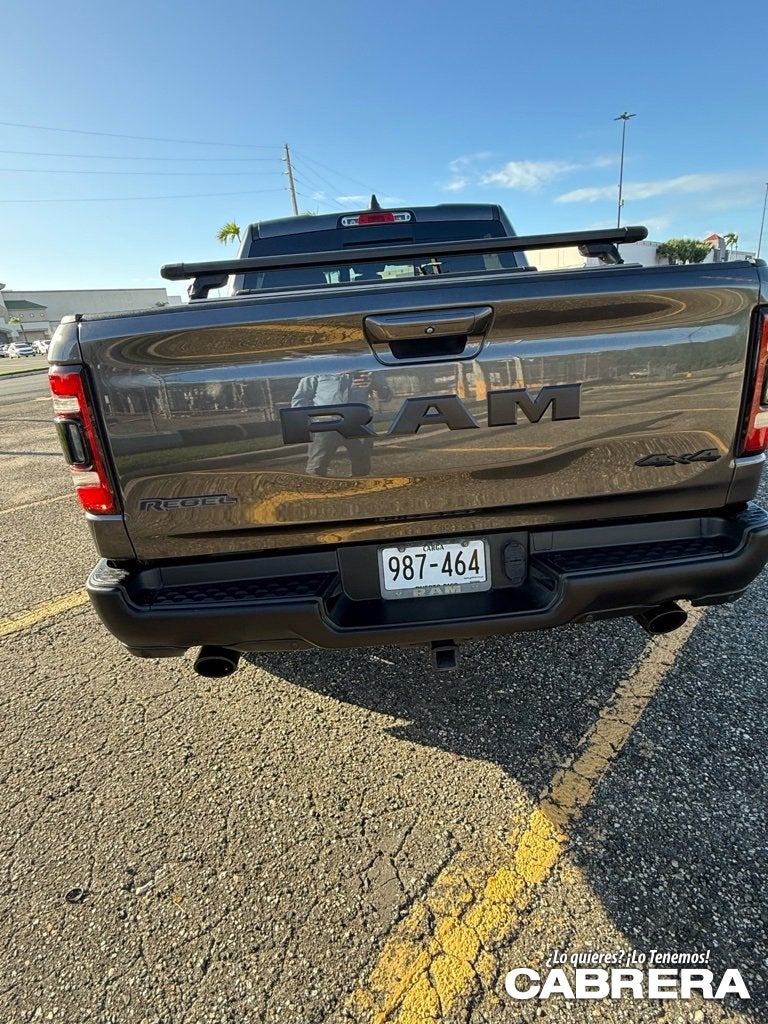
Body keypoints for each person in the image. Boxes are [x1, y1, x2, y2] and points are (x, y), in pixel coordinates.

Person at [290, 370, 392, 477]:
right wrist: (303, 423)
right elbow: (301, 398)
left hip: (358, 423)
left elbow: (386, 396)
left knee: (362, 468)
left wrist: (375, 386)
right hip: (325, 423)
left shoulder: (368, 369)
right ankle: (317, 492)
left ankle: (361, 491)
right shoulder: (319, 368)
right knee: (316, 467)